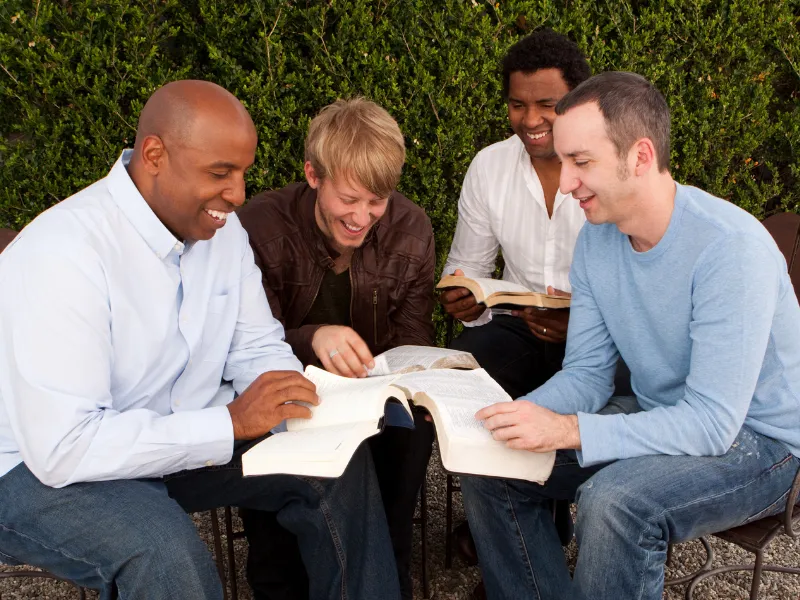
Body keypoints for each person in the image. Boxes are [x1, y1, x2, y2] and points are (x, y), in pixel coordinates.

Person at [0, 81, 399, 600]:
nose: (236, 195)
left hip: (179, 438)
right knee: (161, 547)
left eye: (242, 174)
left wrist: (296, 401)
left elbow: (256, 346)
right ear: (155, 155)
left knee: (334, 460)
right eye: (219, 174)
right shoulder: (62, 253)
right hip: (38, 470)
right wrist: (232, 421)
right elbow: (66, 449)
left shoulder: (222, 231)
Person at [461, 71, 800, 600]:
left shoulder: (730, 249)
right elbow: (588, 375)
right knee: (492, 463)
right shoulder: (599, 240)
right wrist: (518, 417)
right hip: (660, 414)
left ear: (640, 156)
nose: (566, 180)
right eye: (564, 159)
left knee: (614, 501)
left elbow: (713, 424)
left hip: (761, 443)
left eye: (581, 161)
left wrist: (570, 430)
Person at [237, 97, 436, 600]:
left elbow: (413, 342)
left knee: (411, 434)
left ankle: (390, 572)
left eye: (378, 201)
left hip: (373, 397)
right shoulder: (259, 228)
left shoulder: (411, 229)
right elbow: (237, 345)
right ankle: (280, 582)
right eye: (350, 198)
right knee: (273, 435)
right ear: (313, 174)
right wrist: (312, 338)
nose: (362, 216)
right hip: (285, 393)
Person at [440, 28, 591, 400]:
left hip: (598, 339)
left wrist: (581, 323)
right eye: (517, 105)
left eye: (546, 104)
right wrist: (464, 299)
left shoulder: (608, 166)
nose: (530, 120)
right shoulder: (490, 166)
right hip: (518, 329)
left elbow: (641, 293)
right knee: (444, 385)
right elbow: (466, 266)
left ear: (578, 102)